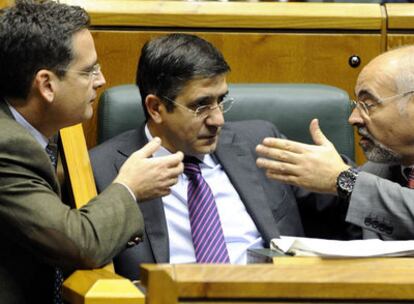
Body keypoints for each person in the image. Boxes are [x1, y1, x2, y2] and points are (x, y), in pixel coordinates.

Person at [90, 33, 356, 280]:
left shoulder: (260, 143)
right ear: (156, 108)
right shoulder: (104, 171)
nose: (218, 119)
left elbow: (345, 207)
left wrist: (343, 177)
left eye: (221, 100)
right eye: (200, 105)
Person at [0, 1, 183, 303]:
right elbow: (78, 243)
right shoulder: (8, 146)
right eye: (89, 71)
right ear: (46, 85)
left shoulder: (36, 128)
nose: (101, 81)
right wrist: (129, 187)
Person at [256, 45, 414, 240]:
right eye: (356, 105)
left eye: (368, 105)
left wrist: (342, 180)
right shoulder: (382, 168)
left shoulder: (361, 180)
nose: (353, 118)